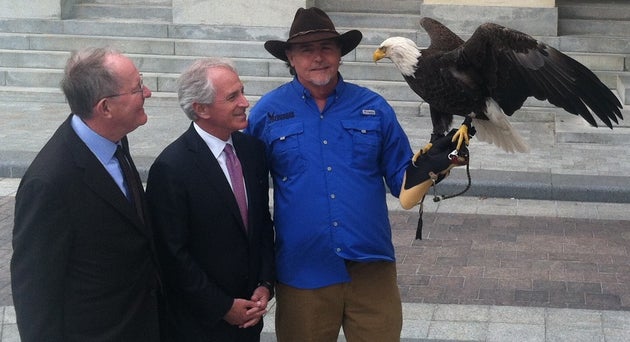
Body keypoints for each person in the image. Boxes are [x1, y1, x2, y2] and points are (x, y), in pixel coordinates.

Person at [245, 7, 413, 342]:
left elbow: (404, 180)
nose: (318, 57)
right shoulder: (266, 114)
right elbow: (246, 195)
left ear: (340, 54)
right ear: (290, 58)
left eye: (327, 47)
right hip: (302, 273)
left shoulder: (375, 108)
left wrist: (439, 162)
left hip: (372, 271)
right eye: (306, 50)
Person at [10, 47, 161, 341]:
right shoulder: (49, 183)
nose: (148, 92)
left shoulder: (115, 140)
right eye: (137, 88)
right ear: (105, 107)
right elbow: (35, 295)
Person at [145, 57, 275, 342]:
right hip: (198, 326)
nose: (245, 102)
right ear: (201, 109)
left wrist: (265, 284)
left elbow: (261, 225)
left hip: (249, 320)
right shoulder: (171, 167)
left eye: (242, 91)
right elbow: (172, 254)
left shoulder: (253, 151)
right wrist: (222, 307)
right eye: (232, 96)